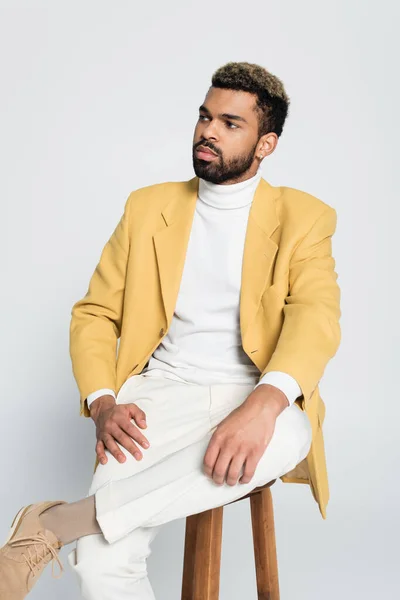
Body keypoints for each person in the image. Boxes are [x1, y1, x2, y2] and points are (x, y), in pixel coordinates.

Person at [0, 61, 341, 599]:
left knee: (291, 433)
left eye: (231, 124)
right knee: (100, 565)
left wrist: (262, 405)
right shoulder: (148, 207)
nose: (208, 130)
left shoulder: (306, 217)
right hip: (157, 395)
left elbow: (316, 316)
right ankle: (70, 528)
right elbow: (94, 313)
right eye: (205, 116)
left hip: (255, 392)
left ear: (266, 144)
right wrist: (103, 401)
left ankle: (56, 523)